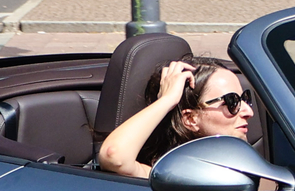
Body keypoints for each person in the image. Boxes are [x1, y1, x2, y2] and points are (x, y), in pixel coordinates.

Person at [97, 56, 258, 178]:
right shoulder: (173, 176)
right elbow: (114, 156)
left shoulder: (248, 161)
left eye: (244, 98)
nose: (248, 112)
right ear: (190, 119)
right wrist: (167, 100)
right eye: (232, 101)